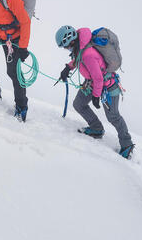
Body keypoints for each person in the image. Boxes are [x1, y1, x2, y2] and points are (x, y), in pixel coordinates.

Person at [55, 25, 135, 159]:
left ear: (71, 41)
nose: (65, 48)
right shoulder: (80, 47)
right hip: (93, 84)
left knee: (113, 116)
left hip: (107, 87)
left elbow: (98, 78)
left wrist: (96, 97)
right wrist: (68, 68)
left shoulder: (88, 54)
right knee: (79, 104)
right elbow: (78, 59)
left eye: (65, 46)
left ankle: (127, 144)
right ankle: (96, 128)